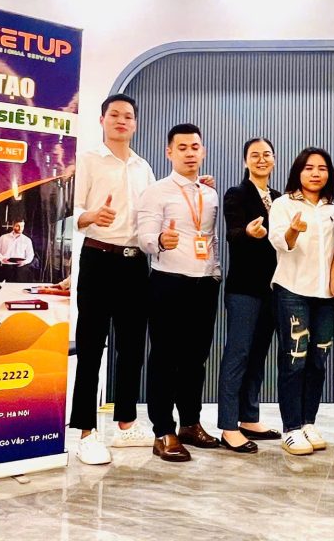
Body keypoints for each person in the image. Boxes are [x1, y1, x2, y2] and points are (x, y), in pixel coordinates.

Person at [69, 94, 157, 466]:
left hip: (135, 264)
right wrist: (90, 216)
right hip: (98, 259)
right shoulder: (87, 160)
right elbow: (70, 209)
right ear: (102, 119)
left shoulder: (143, 167)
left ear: (135, 124)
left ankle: (125, 424)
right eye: (115, 115)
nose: (122, 121)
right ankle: (85, 432)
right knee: (91, 347)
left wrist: (192, 188)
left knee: (133, 348)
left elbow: (155, 212)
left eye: (128, 116)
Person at [135, 123, 223, 462]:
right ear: (169, 152)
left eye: (195, 147)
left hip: (204, 284)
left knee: (195, 359)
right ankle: (163, 431)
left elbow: (210, 237)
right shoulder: (156, 191)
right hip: (168, 282)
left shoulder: (209, 193)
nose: (189, 153)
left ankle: (190, 423)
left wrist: (215, 273)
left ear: (203, 152)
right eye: (182, 147)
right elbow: (144, 236)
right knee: (164, 359)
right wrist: (160, 240)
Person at [268, 147, 334, 456]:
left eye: (322, 168)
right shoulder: (283, 204)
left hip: (326, 296)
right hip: (292, 290)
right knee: (294, 360)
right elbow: (280, 242)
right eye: (309, 168)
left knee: (318, 361)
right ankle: (291, 428)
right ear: (298, 171)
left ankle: (309, 422)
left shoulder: (333, 208)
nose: (315, 173)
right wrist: (293, 231)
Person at [217, 138, 282, 453]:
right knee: (238, 354)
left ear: (274, 159)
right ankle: (229, 427)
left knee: (258, 355)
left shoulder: (280, 199)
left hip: (273, 288)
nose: (261, 159)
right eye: (254, 155)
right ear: (245, 161)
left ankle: (249, 417)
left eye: (266, 154)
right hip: (244, 288)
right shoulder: (237, 194)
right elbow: (232, 233)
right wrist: (248, 232)